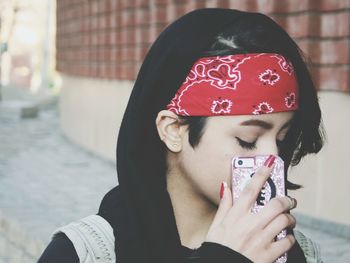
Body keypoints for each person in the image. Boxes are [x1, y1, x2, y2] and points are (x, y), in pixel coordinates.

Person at [38, 8, 324, 263]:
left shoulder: (295, 252)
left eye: (283, 139)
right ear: (173, 130)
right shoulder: (84, 253)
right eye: (247, 140)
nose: (273, 160)